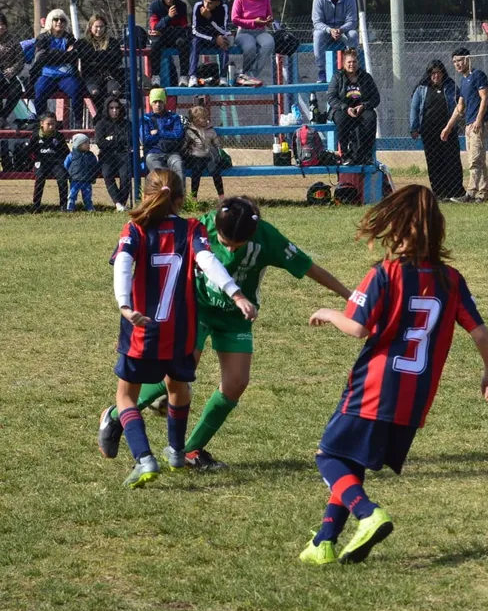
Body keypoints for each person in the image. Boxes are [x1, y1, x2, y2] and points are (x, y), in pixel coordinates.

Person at [298, 184, 488, 566]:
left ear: (395, 226)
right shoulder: (451, 279)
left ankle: (367, 514)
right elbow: (479, 332)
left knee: (329, 456)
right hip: (414, 399)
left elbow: (358, 328)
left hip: (373, 388)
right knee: (351, 460)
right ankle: (324, 542)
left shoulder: (385, 274)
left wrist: (328, 313)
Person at [99, 196, 352, 471]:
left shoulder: (267, 237)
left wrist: (349, 297)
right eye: (225, 242)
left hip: (236, 317)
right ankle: (117, 414)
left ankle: (191, 450)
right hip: (195, 309)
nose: (230, 250)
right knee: (178, 376)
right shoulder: (203, 225)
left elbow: (309, 267)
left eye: (237, 245)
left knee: (236, 383)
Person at [106, 168, 257, 488]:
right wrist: (236, 293)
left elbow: (123, 263)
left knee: (125, 397)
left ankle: (144, 459)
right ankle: (176, 452)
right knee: (178, 387)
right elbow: (208, 261)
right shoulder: (191, 228)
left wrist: (124, 305)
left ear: (146, 194)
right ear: (181, 199)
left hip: (143, 330)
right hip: (181, 332)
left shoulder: (135, 228)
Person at [409, 59, 465, 201]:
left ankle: (456, 192)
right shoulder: (421, 88)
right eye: (433, 73)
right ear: (429, 74)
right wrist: (414, 127)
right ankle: (439, 193)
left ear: (443, 73)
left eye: (439, 73)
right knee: (434, 161)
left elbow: (460, 104)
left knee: (452, 160)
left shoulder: (451, 86)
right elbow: (414, 108)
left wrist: (459, 124)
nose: (436, 76)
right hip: (429, 132)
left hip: (448, 130)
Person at [441, 47, 488, 203]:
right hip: (469, 124)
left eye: (460, 60)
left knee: (475, 160)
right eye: (454, 61)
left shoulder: (478, 75)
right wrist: (448, 127)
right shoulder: (463, 81)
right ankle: (483, 193)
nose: (457, 64)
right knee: (478, 159)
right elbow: (460, 106)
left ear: (468, 59)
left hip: (479, 123)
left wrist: (478, 120)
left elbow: (484, 97)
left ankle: (470, 193)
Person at [32, 9, 85, 129]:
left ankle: (78, 122)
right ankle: (41, 122)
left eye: (62, 20)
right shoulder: (43, 38)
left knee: (77, 90)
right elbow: (41, 58)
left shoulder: (69, 38)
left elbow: (74, 56)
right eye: (56, 19)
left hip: (66, 76)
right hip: (47, 75)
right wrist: (64, 54)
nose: (59, 22)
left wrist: (51, 55)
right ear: (50, 22)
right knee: (39, 91)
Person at [328, 48, 378, 164]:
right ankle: (345, 155)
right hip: (343, 108)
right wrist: (346, 108)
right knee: (341, 119)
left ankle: (366, 155)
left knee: (371, 117)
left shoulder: (366, 77)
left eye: (354, 62)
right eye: (349, 62)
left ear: (358, 62)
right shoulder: (337, 77)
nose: (352, 64)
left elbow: (376, 98)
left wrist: (363, 106)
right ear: (344, 63)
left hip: (361, 108)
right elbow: (331, 97)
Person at [76, 14, 124, 121]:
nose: (99, 29)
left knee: (114, 92)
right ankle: (103, 116)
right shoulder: (82, 42)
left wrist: (94, 57)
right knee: (95, 92)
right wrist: (104, 55)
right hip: (91, 76)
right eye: (96, 26)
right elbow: (83, 56)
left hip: (110, 75)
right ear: (90, 27)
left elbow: (116, 59)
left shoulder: (112, 42)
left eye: (101, 26)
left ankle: (108, 117)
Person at [311, 0, 358, 84]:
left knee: (353, 34)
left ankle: (351, 70)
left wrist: (341, 29)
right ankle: (322, 71)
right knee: (318, 34)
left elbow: (352, 21)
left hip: (343, 32)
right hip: (326, 32)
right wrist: (329, 30)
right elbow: (317, 22)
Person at [148, 0, 191, 87]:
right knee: (155, 44)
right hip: (161, 38)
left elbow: (184, 26)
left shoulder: (181, 6)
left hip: (176, 36)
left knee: (183, 43)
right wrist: (168, 17)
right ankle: (155, 77)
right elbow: (155, 27)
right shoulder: (154, 6)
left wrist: (165, 29)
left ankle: (183, 77)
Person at [95, 97, 132, 211]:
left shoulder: (127, 124)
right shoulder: (101, 124)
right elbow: (100, 143)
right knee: (107, 175)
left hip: (123, 154)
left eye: (117, 108)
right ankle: (118, 203)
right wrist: (118, 140)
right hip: (107, 156)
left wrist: (111, 139)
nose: (114, 110)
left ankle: (122, 203)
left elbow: (129, 140)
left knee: (125, 177)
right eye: (111, 108)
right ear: (107, 109)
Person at [231, 0, 275, 86]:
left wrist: (269, 19)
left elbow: (269, 15)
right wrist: (253, 22)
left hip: (261, 31)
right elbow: (234, 19)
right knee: (250, 46)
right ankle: (246, 72)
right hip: (244, 31)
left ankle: (250, 74)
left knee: (269, 43)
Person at [27, 111, 69, 212]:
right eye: (48, 124)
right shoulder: (36, 135)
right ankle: (36, 205)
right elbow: (29, 151)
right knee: (40, 178)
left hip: (56, 163)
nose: (51, 127)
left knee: (62, 178)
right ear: (42, 123)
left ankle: (63, 205)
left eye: (53, 124)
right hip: (41, 161)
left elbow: (65, 151)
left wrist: (62, 161)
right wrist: (33, 161)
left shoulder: (58, 136)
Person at [189, 0, 231, 88]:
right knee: (194, 43)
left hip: (218, 38)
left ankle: (223, 78)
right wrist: (213, 39)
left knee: (225, 44)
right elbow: (194, 31)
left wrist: (210, 18)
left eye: (210, 3)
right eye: (205, 1)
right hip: (201, 37)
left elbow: (223, 31)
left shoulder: (224, 7)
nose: (206, 5)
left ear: (217, 3)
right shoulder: (198, 6)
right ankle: (192, 77)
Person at [142, 87, 185, 183]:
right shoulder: (146, 118)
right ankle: (163, 192)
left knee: (179, 166)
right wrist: (168, 133)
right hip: (154, 152)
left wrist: (159, 132)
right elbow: (146, 139)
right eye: (155, 102)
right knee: (160, 173)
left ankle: (180, 193)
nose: (158, 105)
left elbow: (178, 134)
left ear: (164, 102)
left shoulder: (174, 117)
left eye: (160, 102)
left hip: (172, 152)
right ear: (151, 103)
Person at [183, 105, 224, 200]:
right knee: (196, 173)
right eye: (203, 118)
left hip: (208, 156)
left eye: (207, 117)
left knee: (216, 171)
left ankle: (221, 196)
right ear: (196, 120)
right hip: (195, 157)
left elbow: (217, 144)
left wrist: (218, 147)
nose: (206, 120)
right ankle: (194, 198)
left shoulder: (210, 130)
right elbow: (186, 146)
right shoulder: (189, 131)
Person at [0, 13, 26, 127]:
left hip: (9, 75)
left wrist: (11, 70)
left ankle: (2, 117)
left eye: (2, 24)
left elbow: (20, 60)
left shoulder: (13, 40)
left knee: (17, 89)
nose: (0, 27)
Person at [63, 133, 99, 212]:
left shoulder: (91, 155)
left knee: (87, 195)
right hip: (75, 179)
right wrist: (71, 172)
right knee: (73, 194)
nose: (88, 145)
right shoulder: (72, 155)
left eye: (88, 142)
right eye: (85, 143)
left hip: (87, 179)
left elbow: (95, 165)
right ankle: (70, 207)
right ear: (78, 145)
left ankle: (89, 206)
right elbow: (66, 164)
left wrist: (93, 175)